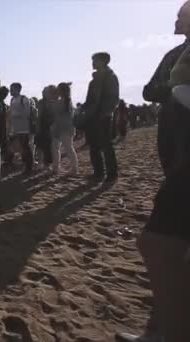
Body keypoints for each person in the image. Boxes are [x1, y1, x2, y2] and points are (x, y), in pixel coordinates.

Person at [116, 3, 190, 342]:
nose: (177, 18)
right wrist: (174, 86)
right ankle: (161, 329)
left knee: (159, 243)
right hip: (174, 156)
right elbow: (149, 90)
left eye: (183, 12)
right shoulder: (175, 53)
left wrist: (179, 86)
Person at [83, 52, 120, 182]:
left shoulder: (110, 77)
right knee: (93, 145)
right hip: (92, 116)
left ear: (103, 61)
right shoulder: (93, 81)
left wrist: (105, 112)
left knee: (106, 145)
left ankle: (112, 173)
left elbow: (113, 98)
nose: (93, 63)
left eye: (95, 60)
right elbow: (89, 100)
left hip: (103, 116)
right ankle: (98, 172)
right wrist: (85, 110)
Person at [51, 83, 79, 175]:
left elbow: (55, 110)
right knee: (56, 148)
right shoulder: (65, 101)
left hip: (65, 128)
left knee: (68, 148)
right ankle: (56, 167)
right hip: (60, 128)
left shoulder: (65, 101)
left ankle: (74, 168)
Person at [8, 82, 36, 173]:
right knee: (14, 146)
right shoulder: (12, 100)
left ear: (17, 89)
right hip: (14, 128)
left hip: (23, 128)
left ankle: (28, 166)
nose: (10, 91)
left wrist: (15, 115)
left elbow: (27, 113)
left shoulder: (24, 99)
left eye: (12, 89)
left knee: (25, 147)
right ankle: (12, 163)